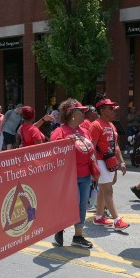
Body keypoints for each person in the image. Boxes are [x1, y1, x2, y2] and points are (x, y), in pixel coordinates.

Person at [51, 99, 95, 248]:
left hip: (85, 175)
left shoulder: (84, 130)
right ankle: (59, 227)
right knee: (70, 205)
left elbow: (90, 150)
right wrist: (65, 143)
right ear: (71, 114)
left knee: (82, 205)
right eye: (80, 111)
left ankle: (78, 236)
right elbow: (54, 155)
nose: (84, 114)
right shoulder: (60, 132)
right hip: (68, 177)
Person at [89, 97, 129, 230]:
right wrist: (94, 165)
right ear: (101, 110)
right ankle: (117, 220)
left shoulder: (112, 125)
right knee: (108, 191)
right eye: (110, 108)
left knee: (102, 191)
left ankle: (99, 217)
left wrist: (121, 162)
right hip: (100, 162)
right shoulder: (96, 125)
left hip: (109, 162)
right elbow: (92, 147)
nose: (113, 110)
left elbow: (115, 146)